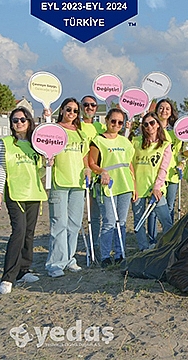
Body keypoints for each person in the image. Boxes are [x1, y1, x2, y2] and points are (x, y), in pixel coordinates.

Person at [0, 107, 47, 294]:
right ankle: (8, 277)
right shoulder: (6, 143)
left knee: (29, 233)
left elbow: (39, 172)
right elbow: (2, 169)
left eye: (22, 120)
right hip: (15, 193)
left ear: (29, 122)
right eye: (15, 120)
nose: (19, 123)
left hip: (34, 193)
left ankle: (24, 270)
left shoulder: (36, 144)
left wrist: (47, 162)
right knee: (18, 231)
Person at [45, 98, 90, 278]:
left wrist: (87, 168)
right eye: (68, 109)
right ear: (62, 110)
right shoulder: (53, 129)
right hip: (59, 182)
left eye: (75, 110)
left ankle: (69, 258)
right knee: (59, 224)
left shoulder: (80, 133)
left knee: (74, 224)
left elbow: (84, 155)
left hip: (77, 184)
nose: (71, 113)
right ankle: (55, 263)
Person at [88, 109, 136, 268]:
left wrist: (134, 187)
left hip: (125, 185)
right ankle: (105, 256)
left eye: (120, 122)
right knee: (109, 221)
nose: (116, 125)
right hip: (107, 186)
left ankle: (120, 253)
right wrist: (102, 171)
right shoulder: (98, 140)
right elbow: (92, 163)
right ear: (107, 120)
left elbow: (129, 165)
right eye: (113, 121)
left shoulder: (125, 142)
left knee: (121, 222)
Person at [131, 112, 173, 251]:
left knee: (165, 220)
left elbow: (164, 168)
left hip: (156, 189)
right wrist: (133, 186)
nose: (149, 127)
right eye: (146, 124)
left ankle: (169, 247)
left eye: (152, 123)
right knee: (139, 220)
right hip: (138, 188)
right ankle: (144, 248)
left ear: (158, 125)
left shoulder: (165, 145)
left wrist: (157, 187)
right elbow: (130, 163)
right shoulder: (136, 142)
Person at [80, 95, 104, 261]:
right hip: (78, 174)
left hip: (95, 176)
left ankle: (95, 245)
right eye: (86, 105)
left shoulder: (100, 127)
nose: (89, 108)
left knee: (95, 215)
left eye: (93, 105)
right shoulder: (77, 125)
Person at [155, 99, 184, 222]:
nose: (164, 111)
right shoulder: (151, 130)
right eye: (161, 108)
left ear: (171, 112)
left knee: (170, 206)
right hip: (156, 173)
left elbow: (180, 153)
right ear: (156, 110)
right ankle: (152, 239)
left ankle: (169, 235)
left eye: (167, 108)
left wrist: (182, 163)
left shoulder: (176, 132)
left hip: (172, 173)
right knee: (155, 207)